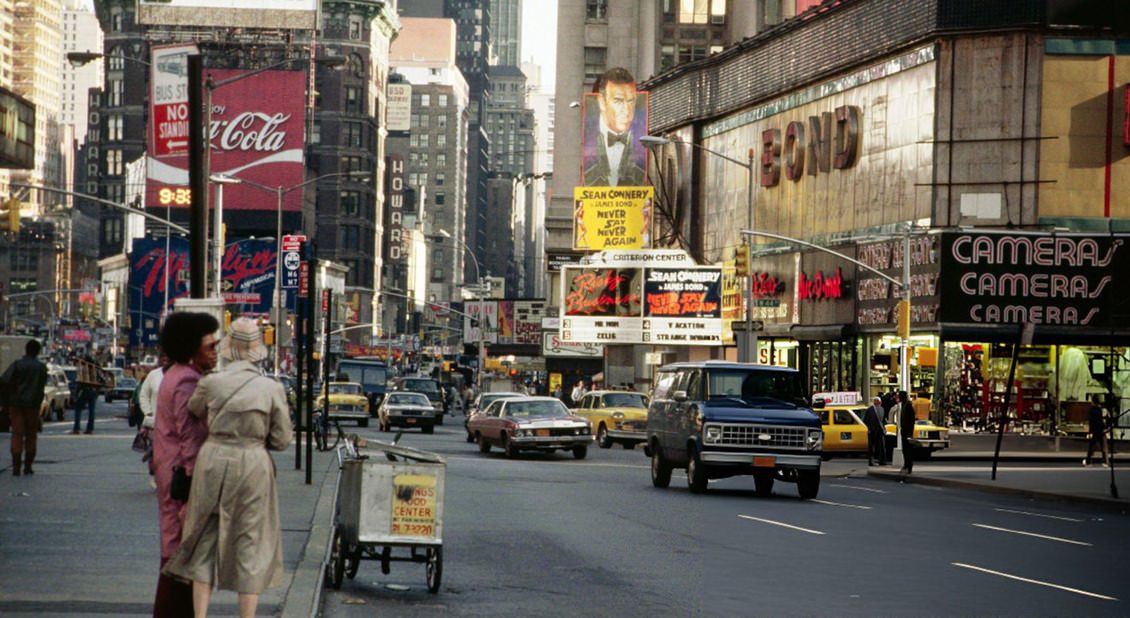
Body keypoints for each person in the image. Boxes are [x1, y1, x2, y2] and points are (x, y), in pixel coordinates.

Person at [163, 318, 292, 618]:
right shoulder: (271, 389)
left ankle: (201, 615)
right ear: (257, 349)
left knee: (205, 536)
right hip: (253, 463)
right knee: (250, 540)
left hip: (213, 460)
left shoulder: (211, 382)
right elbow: (282, 439)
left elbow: (195, 410)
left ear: (229, 348)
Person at [152, 312, 220, 618]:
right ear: (193, 347)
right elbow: (190, 437)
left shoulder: (175, 374)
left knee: (174, 548)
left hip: (170, 471)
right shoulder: (187, 380)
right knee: (181, 551)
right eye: (210, 346)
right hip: (182, 478)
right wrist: (197, 482)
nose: (215, 352)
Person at [583, 67, 647, 187]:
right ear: (602, 102)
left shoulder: (643, 142)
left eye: (630, 101)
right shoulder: (587, 139)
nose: (626, 111)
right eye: (618, 101)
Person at [1, 339, 48, 476]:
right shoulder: (41, 368)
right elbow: (41, 387)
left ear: (26, 350)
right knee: (31, 435)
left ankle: (16, 467)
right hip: (33, 405)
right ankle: (28, 466)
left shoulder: (17, 365)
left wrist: (6, 402)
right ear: (38, 352)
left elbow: (4, 381)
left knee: (17, 434)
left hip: (16, 404)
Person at [139, 353, 170, 487]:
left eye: (167, 358)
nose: (165, 361)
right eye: (162, 359)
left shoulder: (179, 375)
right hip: (155, 422)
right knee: (156, 451)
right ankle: (154, 474)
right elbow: (144, 395)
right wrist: (148, 413)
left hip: (172, 423)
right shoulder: (153, 375)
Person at [72, 352, 110, 434]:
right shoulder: (96, 369)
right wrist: (97, 388)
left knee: (78, 409)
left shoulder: (83, 368)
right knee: (91, 411)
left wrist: (76, 393)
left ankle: (76, 428)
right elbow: (103, 380)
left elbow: (79, 381)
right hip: (93, 391)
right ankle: (90, 429)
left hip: (84, 390)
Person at [1084, 394, 1109, 467]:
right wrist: (1104, 428)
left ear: (1093, 402)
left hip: (1094, 431)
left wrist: (1090, 432)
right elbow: (1100, 421)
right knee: (1103, 447)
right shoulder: (1099, 410)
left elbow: (1091, 422)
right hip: (1100, 430)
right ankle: (1105, 462)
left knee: (1091, 447)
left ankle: (1088, 462)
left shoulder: (1091, 410)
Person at [862, 396, 887, 466]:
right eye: (878, 401)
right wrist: (869, 428)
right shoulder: (869, 410)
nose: (879, 403)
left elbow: (883, 420)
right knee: (871, 447)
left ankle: (882, 460)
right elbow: (865, 420)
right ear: (875, 402)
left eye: (879, 401)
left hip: (880, 431)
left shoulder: (882, 409)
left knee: (881, 446)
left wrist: (884, 428)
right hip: (872, 431)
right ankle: (871, 461)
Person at [897, 390, 916, 475]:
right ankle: (906, 464)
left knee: (908, 449)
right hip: (904, 430)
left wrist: (909, 432)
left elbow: (911, 420)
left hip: (907, 431)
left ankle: (908, 465)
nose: (898, 398)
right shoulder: (903, 405)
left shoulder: (908, 405)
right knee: (905, 449)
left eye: (900, 396)